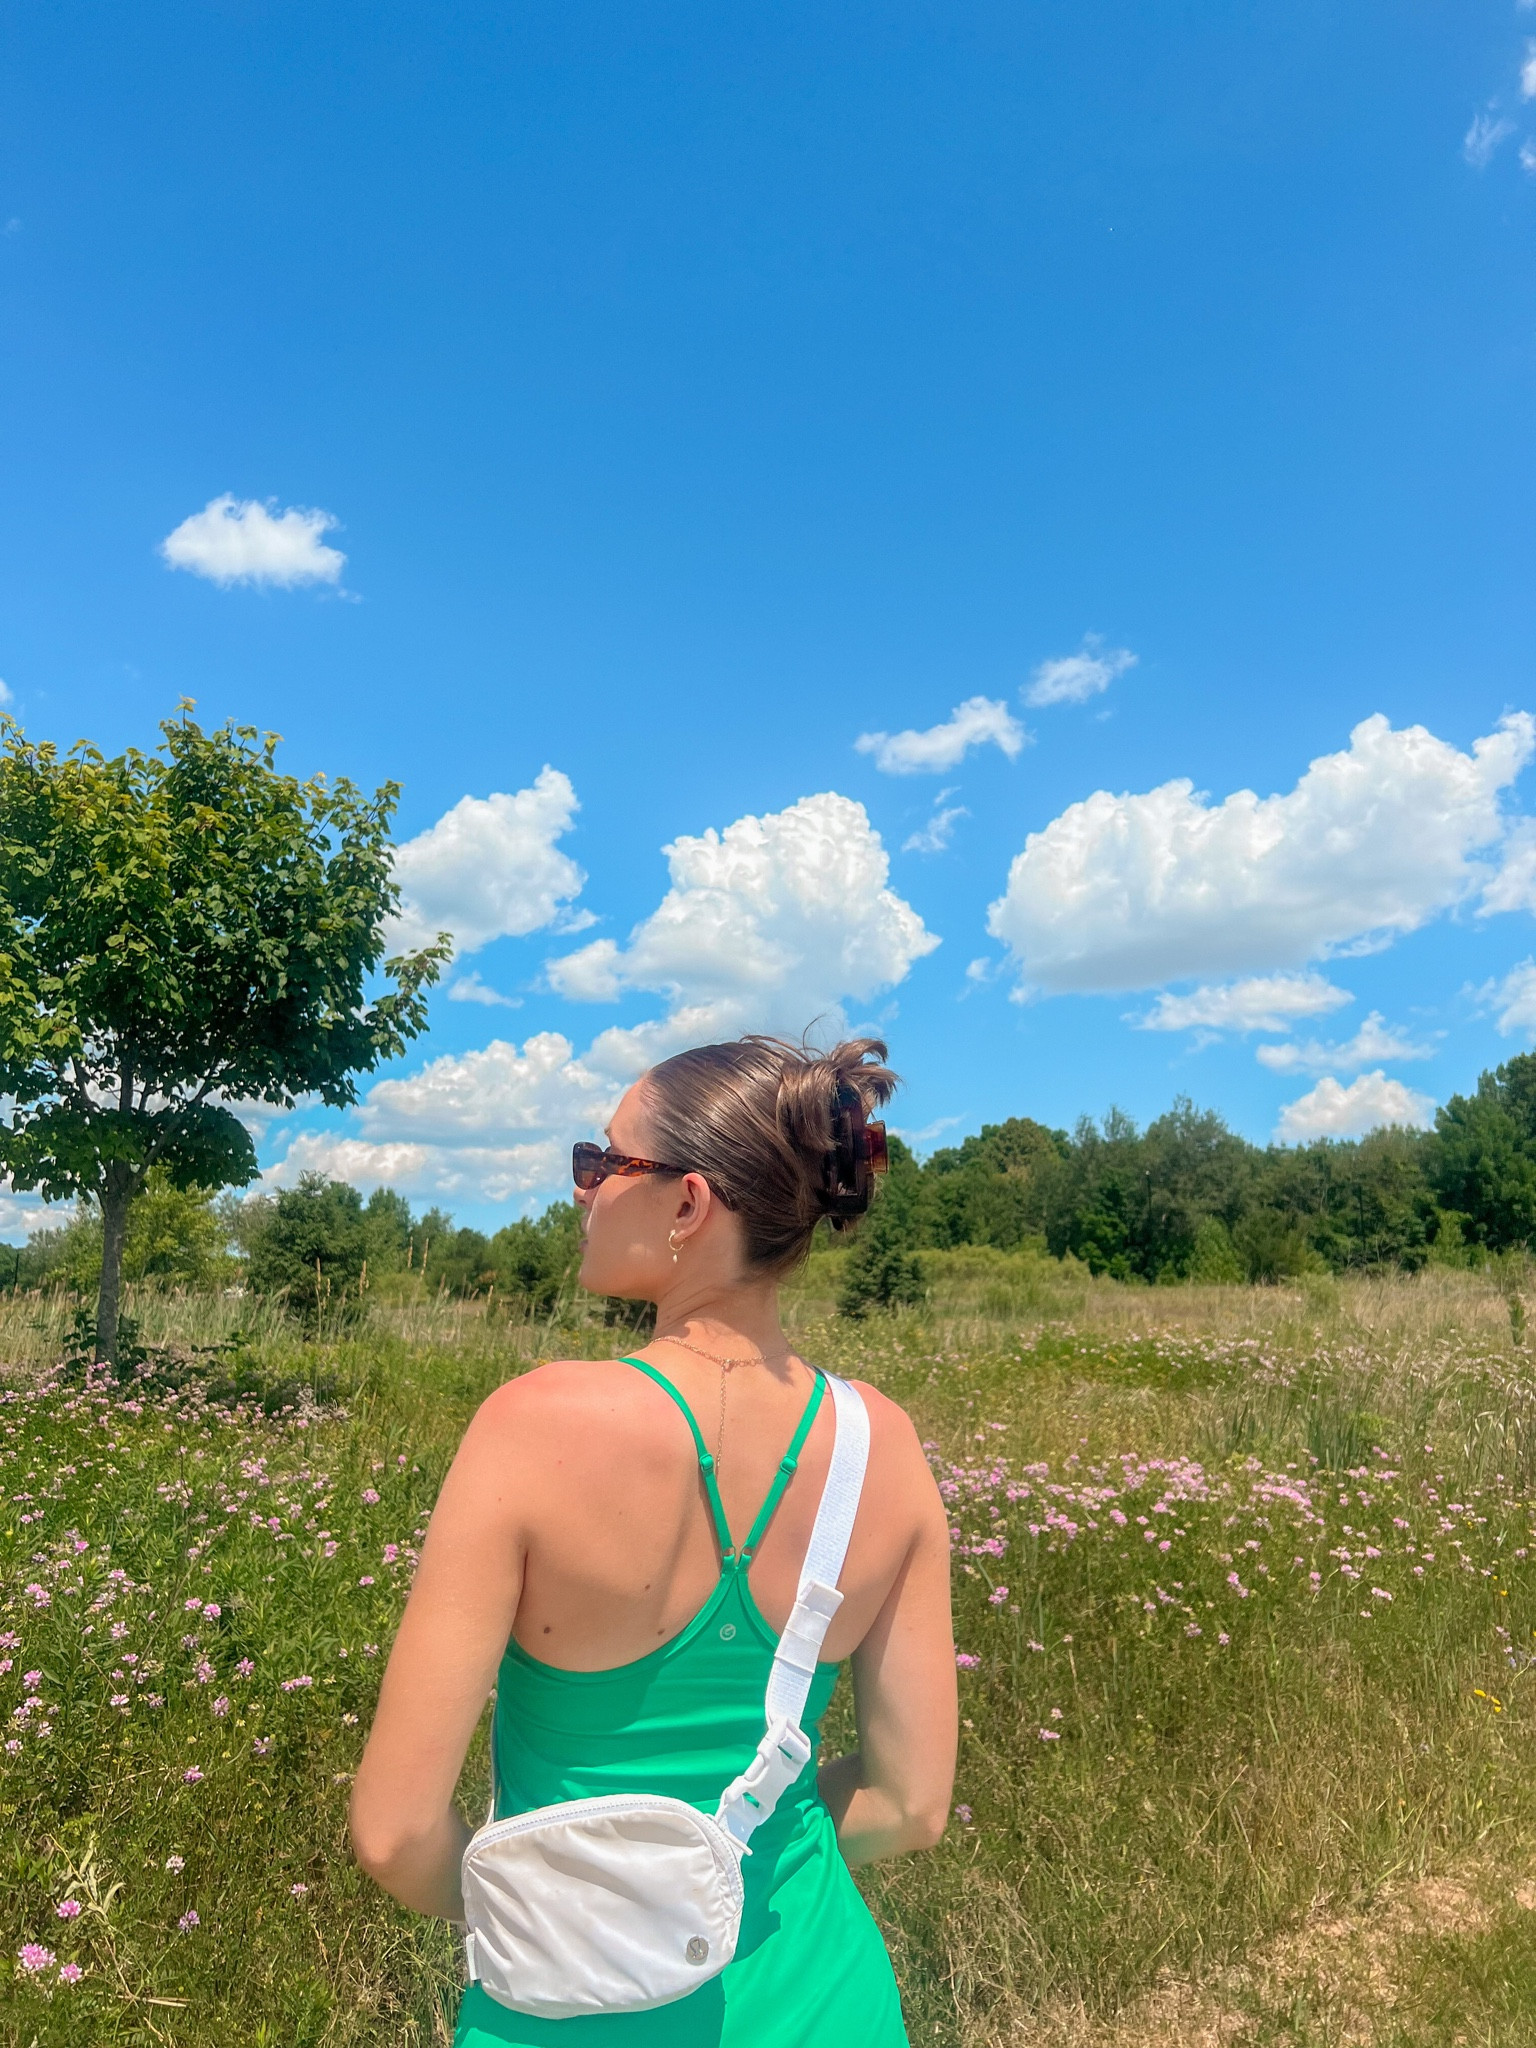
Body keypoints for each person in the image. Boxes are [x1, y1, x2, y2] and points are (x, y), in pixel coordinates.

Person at [351, 1035, 958, 2046]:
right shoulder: (882, 1443)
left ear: (687, 1205)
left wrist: (576, 1898)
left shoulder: (532, 1424)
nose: (583, 1191)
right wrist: (741, 1858)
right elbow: (910, 1802)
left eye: (604, 1163)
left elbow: (396, 1832)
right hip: (827, 2003)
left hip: (566, 2016)